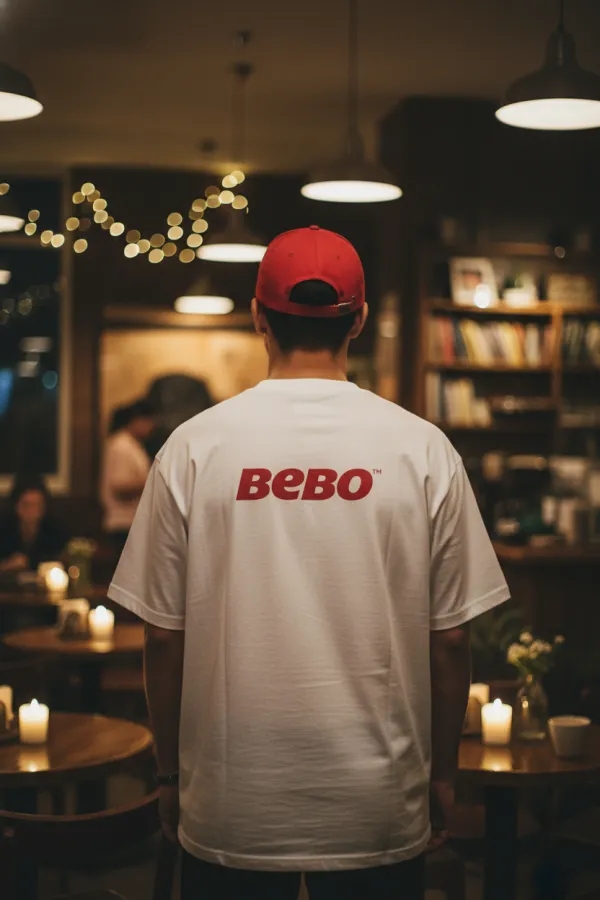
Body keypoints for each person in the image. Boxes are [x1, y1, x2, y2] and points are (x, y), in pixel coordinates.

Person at [108, 226, 510, 900]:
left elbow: (161, 636)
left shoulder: (192, 448)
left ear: (259, 316)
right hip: (378, 797)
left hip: (231, 796)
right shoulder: (423, 449)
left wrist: (171, 777)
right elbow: (452, 640)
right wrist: (444, 773)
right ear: (360, 319)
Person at [101, 398, 155, 553]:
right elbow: (119, 486)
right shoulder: (121, 446)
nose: (151, 428)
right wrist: (152, 481)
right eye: (149, 422)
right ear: (137, 420)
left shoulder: (131, 444)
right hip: (122, 523)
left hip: (130, 522)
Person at [0, 476, 68, 572]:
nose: (31, 511)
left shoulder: (54, 529)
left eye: (37, 505)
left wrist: (30, 562)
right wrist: (7, 565)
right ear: (16, 506)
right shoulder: (4, 527)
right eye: (26, 505)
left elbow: (61, 559)